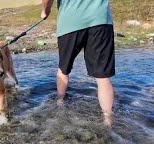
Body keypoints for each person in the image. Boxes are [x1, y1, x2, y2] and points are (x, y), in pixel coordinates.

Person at [41, 0, 115, 128]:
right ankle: (108, 120)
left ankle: (60, 103)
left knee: (63, 70)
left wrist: (45, 11)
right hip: (100, 18)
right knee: (102, 77)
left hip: (71, 21)